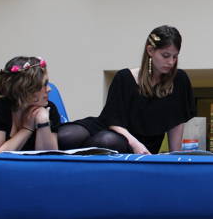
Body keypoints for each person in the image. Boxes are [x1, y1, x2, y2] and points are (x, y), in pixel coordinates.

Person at [57, 25, 195, 154]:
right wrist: (135, 144)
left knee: (106, 141)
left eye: (175, 56)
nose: (171, 62)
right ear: (150, 51)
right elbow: (112, 121)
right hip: (113, 129)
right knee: (66, 136)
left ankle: (81, 162)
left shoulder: (179, 80)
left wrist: (175, 157)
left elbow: (176, 121)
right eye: (165, 55)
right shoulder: (124, 77)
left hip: (128, 142)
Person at [0, 56, 59, 153]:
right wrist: (26, 129)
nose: (49, 89)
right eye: (44, 85)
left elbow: (50, 158)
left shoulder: (48, 109)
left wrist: (43, 122)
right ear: (26, 89)